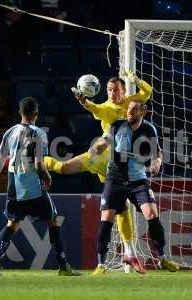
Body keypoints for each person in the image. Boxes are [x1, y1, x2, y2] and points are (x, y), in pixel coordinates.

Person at [45, 71, 163, 273]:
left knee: (121, 208)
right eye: (109, 90)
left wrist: (136, 79)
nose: (111, 94)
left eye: (115, 90)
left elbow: (147, 91)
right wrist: (84, 102)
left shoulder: (131, 103)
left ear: (124, 91)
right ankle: (40, 160)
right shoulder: (107, 109)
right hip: (101, 156)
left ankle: (129, 253)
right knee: (64, 168)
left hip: (118, 164)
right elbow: (95, 108)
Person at [0, 96, 80, 276]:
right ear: (36, 113)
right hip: (34, 186)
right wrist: (47, 176)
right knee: (53, 220)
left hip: (14, 186)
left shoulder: (9, 133)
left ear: (20, 112)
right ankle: (63, 266)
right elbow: (38, 164)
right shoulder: (39, 133)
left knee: (12, 223)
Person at [91, 100, 179, 275]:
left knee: (152, 213)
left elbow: (157, 153)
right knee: (106, 217)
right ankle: (101, 264)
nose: (129, 112)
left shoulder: (149, 130)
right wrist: (98, 147)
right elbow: (105, 140)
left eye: (133, 110)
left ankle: (162, 258)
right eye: (128, 109)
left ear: (142, 112)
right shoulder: (117, 125)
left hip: (138, 180)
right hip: (115, 179)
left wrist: (157, 162)